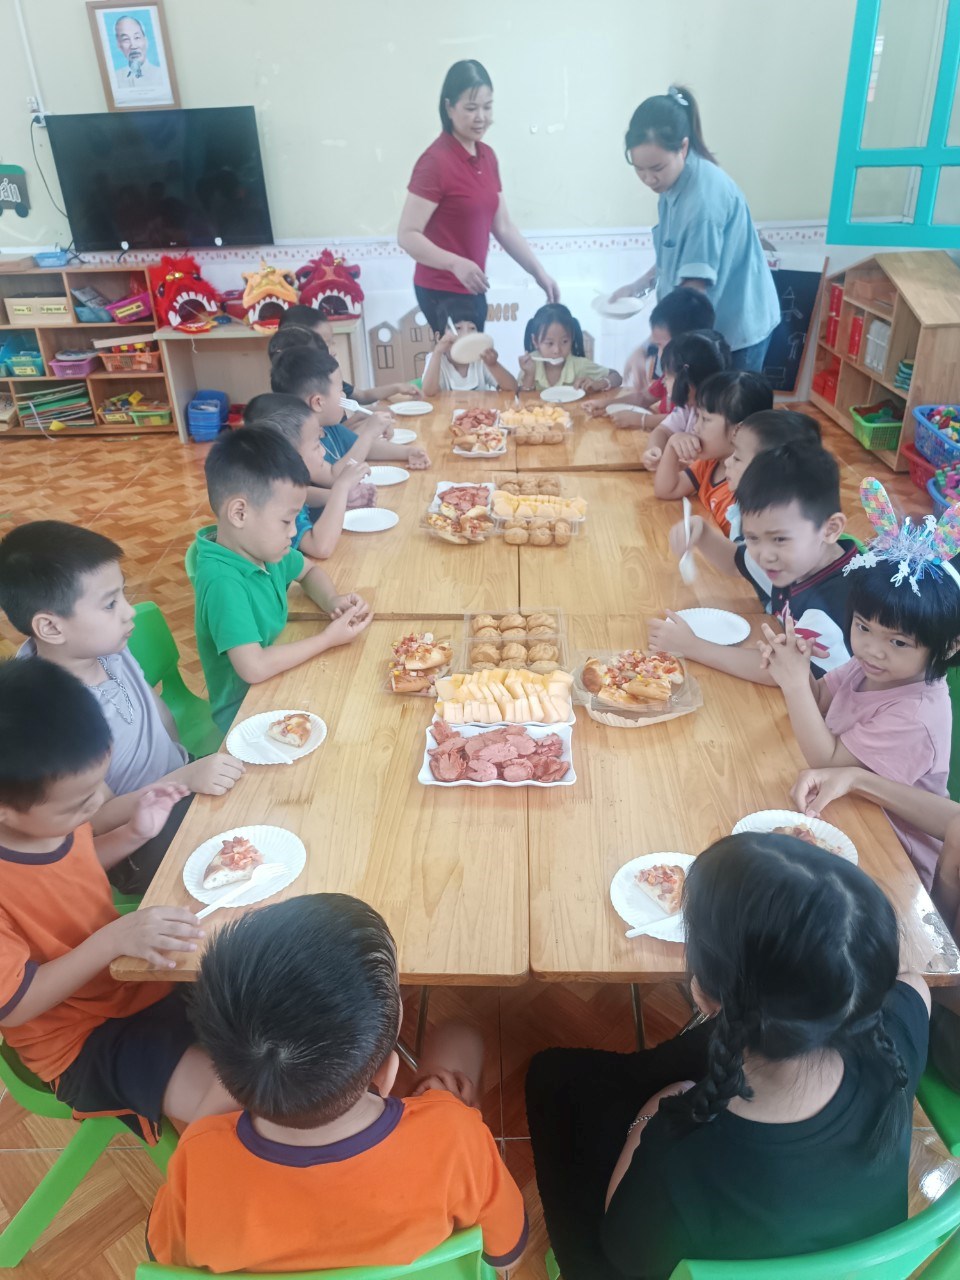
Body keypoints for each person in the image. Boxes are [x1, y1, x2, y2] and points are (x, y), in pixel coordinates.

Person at [526, 833, 929, 1280]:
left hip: (634, 1255)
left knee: (549, 1074)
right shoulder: (895, 1044)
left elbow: (623, 1252)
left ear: (702, 993)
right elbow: (916, 983)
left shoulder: (676, 1158)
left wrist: (654, 1111)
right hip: (858, 1266)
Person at [146, 893, 528, 1273]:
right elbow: (507, 1257)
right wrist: (447, 1108)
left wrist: (206, 1130)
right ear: (386, 1074)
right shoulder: (456, 1136)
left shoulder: (198, 1162)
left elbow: (164, 1258)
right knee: (459, 1036)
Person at [0, 658, 237, 1141]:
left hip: (135, 979)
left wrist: (132, 834)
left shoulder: (46, 821)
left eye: (98, 787)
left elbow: (76, 867)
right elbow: (16, 1005)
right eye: (80, 802)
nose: (97, 805)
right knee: (232, 1097)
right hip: (81, 1037)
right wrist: (112, 940)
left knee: (267, 1004)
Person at [0, 522, 243, 895]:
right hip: (135, 837)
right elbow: (95, 820)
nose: (128, 613)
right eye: (111, 604)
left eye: (123, 595)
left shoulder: (106, 646)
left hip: (179, 777)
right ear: (51, 628)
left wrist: (186, 766)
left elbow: (156, 710)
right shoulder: (45, 715)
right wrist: (184, 780)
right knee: (241, 864)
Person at [760, 492, 960, 890]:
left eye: (898, 641)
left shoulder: (917, 714)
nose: (872, 648)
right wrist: (798, 669)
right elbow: (821, 700)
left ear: (949, 646)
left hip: (893, 859)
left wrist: (795, 685)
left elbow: (830, 761)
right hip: (845, 809)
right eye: (863, 627)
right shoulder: (874, 665)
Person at [192, 428, 373, 733]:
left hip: (277, 681)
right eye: (286, 521)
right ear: (239, 513)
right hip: (244, 715)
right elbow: (254, 667)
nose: (293, 532)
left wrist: (331, 599)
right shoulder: (223, 582)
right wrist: (327, 639)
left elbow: (309, 572)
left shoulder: (262, 550)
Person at [791, 767, 960, 1091]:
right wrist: (856, 779)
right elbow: (955, 821)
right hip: (931, 975)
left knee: (816, 963)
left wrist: (902, 961)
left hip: (950, 1030)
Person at [649, 443, 859, 682]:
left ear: (830, 529)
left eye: (779, 539)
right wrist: (703, 533)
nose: (764, 555)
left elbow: (787, 671)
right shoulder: (796, 559)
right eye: (752, 537)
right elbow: (736, 562)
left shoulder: (835, 604)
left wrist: (693, 647)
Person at [612, 86, 780, 375]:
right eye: (639, 169)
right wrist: (636, 288)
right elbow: (675, 256)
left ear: (683, 147)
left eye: (656, 168)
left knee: (721, 403)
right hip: (694, 324)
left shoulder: (703, 202)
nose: (648, 179)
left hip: (735, 328)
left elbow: (692, 299)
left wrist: (649, 348)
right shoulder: (672, 183)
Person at [398, 59, 559, 335]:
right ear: (449, 107)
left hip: (473, 286)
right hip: (441, 289)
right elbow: (407, 235)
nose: (481, 117)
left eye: (487, 107)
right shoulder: (435, 162)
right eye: (471, 108)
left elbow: (503, 227)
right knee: (465, 360)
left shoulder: (487, 156)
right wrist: (454, 263)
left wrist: (538, 272)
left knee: (478, 358)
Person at [667, 408, 823, 566]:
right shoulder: (741, 511)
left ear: (769, 473)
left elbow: (742, 566)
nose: (727, 462)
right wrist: (703, 532)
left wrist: (704, 534)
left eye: (737, 458)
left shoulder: (790, 533)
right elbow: (741, 563)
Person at [243, 394, 371, 557]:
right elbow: (320, 548)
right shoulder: (274, 503)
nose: (323, 451)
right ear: (287, 454)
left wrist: (340, 497)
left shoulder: (274, 480)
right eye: (317, 445)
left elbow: (304, 494)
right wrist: (341, 488)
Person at [270, 345, 431, 472]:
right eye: (340, 390)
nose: (344, 396)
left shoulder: (330, 429)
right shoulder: (302, 445)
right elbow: (336, 475)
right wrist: (369, 433)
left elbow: (363, 448)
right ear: (318, 402)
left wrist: (407, 452)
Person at [652, 371, 773, 535]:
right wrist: (672, 446)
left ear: (739, 430)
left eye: (706, 419)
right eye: (697, 416)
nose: (695, 427)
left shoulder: (745, 487)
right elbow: (666, 490)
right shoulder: (711, 463)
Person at [583, 286, 716, 424]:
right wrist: (607, 403)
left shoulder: (698, 389)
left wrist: (641, 419)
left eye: (660, 345)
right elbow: (644, 398)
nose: (658, 353)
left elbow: (684, 422)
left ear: (689, 345)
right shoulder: (670, 375)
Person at [268, 306, 419, 404]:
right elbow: (334, 435)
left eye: (331, 342)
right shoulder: (303, 392)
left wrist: (397, 387)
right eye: (324, 343)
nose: (333, 350)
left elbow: (363, 396)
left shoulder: (330, 377)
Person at [640, 329, 730, 469]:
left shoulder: (720, 418)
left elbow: (711, 467)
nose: (663, 382)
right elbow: (661, 431)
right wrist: (654, 450)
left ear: (685, 381)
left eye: (667, 377)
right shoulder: (688, 408)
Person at [421, 296, 516, 395]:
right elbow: (429, 392)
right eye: (458, 328)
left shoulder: (480, 360)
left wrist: (493, 365)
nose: (466, 334)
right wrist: (437, 352)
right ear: (439, 337)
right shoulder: (436, 359)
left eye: (472, 328)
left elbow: (512, 389)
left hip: (479, 406)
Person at [518, 304, 621, 394]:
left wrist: (598, 384)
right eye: (550, 343)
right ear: (535, 341)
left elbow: (616, 376)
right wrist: (529, 375)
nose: (557, 350)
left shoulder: (580, 365)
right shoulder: (530, 364)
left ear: (572, 338)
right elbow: (522, 400)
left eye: (564, 342)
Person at [112, 15, 167, 97]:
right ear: (119, 45)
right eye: (126, 39)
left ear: (146, 41)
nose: (133, 46)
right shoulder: (114, 79)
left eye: (137, 37)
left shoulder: (162, 75)